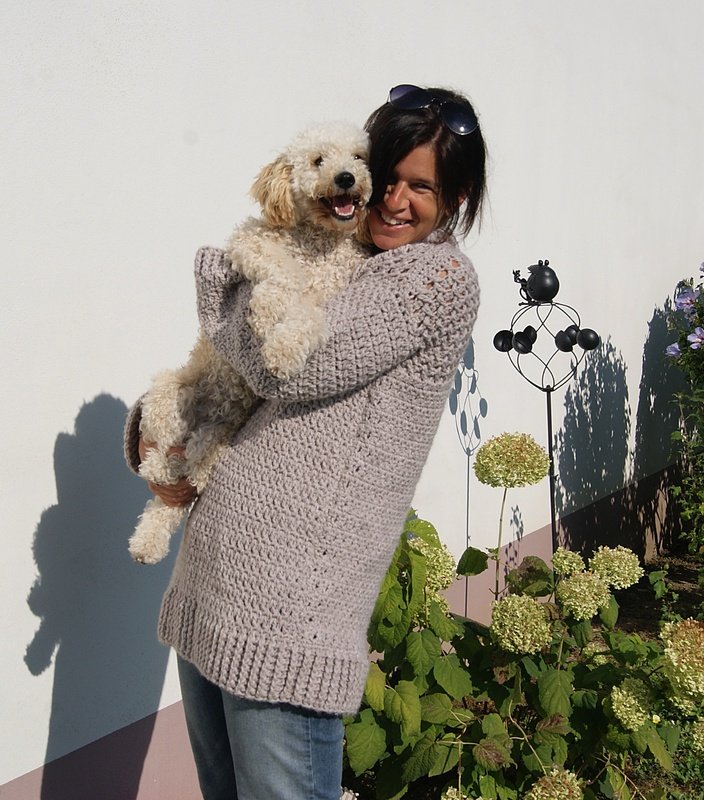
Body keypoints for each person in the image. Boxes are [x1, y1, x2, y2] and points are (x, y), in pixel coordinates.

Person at [125, 84, 487, 800]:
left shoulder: (435, 278)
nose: (395, 201)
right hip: (215, 566)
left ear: (457, 198)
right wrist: (157, 435)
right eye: (390, 177)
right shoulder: (341, 253)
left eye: (422, 188)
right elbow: (237, 378)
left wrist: (221, 289)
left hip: (289, 609)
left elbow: (291, 367)